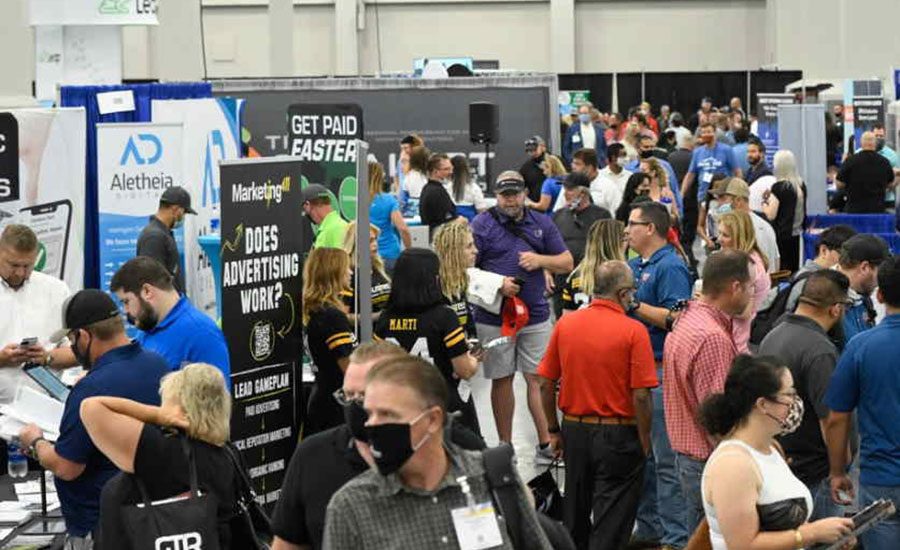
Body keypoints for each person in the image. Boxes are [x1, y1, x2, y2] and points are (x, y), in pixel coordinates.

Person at [323, 356, 553, 550]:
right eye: (370, 414)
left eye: (387, 414)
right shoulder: (351, 507)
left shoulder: (493, 479)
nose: (371, 425)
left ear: (433, 420)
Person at [17, 289, 170, 544]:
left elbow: (67, 468)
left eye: (71, 340)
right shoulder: (158, 365)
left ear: (84, 336)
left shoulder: (90, 389)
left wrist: (35, 442)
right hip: (154, 517)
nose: (72, 348)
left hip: (102, 527)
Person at [539, 260, 656, 549]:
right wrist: (645, 439)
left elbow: (545, 384)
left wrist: (553, 430)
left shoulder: (566, 325)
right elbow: (641, 395)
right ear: (623, 293)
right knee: (612, 518)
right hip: (619, 434)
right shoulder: (634, 331)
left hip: (574, 431)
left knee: (575, 513)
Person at [699, 355, 855, 550]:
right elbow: (742, 545)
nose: (795, 402)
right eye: (788, 394)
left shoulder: (771, 448)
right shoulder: (733, 465)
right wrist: (812, 533)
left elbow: (784, 525)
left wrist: (831, 532)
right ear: (763, 405)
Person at [80, 363, 239, 550]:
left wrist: (158, 415)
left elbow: (91, 407)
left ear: (179, 408)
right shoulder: (228, 454)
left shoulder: (162, 452)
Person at [471, 171, 573, 455]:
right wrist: (498, 284)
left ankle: (546, 441)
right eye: (505, 195)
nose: (511, 200)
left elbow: (566, 262)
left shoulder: (541, 222)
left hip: (536, 315)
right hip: (494, 317)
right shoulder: (481, 224)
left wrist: (540, 260)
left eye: (515, 194)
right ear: (496, 196)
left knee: (538, 378)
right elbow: (466, 271)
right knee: (502, 378)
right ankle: (506, 446)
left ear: (525, 193)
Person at [271, 342, 407, 550]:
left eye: (363, 396)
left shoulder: (430, 452)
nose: (354, 406)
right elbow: (286, 544)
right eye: (347, 395)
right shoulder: (313, 455)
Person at [663, 249, 751, 533]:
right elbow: (717, 418)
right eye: (750, 287)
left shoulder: (686, 319)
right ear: (735, 287)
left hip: (689, 457)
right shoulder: (712, 338)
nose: (752, 294)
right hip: (708, 460)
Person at [626, 202, 693, 549]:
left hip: (660, 372)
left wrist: (634, 306)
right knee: (643, 458)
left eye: (632, 224)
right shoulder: (635, 265)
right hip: (634, 373)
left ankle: (676, 537)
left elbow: (677, 319)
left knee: (666, 460)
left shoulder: (671, 267)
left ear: (650, 228)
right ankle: (649, 528)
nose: (626, 230)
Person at [759, 270, 852, 520]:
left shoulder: (772, 336)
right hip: (815, 474)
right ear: (836, 309)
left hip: (781, 463)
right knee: (825, 536)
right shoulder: (820, 350)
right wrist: (839, 470)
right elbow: (831, 420)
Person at [826, 254, 900, 550]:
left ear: (880, 296)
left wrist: (837, 472)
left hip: (880, 478)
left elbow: (837, 417)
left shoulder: (861, 346)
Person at [375, 248, 481, 435]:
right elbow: (464, 370)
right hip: (445, 407)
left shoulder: (384, 320)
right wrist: (474, 359)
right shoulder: (444, 317)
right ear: (432, 279)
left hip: (402, 408)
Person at [107, 256, 230, 381]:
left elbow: (217, 392)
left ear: (147, 291)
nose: (126, 310)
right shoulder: (147, 327)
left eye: (126, 301)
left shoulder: (202, 334)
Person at [0, 224, 70, 404]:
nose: (20, 273)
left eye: (27, 265)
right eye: (13, 265)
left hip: (47, 405)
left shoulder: (56, 290)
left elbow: (80, 352)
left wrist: (46, 357)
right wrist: (2, 359)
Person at [303, 247, 357, 435]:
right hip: (335, 408)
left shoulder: (319, 311)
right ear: (333, 272)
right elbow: (349, 369)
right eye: (346, 268)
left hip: (324, 398)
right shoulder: (332, 317)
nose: (350, 273)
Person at [717, 211, 771, 352]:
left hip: (741, 341)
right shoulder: (751, 258)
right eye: (719, 233)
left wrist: (711, 301)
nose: (719, 239)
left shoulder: (748, 267)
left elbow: (743, 311)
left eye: (725, 235)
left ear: (739, 238)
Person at [136, 185, 196, 294]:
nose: (183, 217)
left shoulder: (162, 233)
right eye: (184, 212)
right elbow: (153, 283)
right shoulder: (154, 237)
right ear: (176, 209)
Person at [713, 177, 781, 272]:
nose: (718, 203)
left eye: (722, 198)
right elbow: (776, 262)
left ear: (738, 201)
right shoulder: (766, 226)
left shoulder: (741, 228)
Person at [833, 234, 890, 344]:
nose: (880, 280)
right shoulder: (826, 300)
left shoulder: (863, 299)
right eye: (880, 271)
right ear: (864, 267)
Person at [561, 219, 626, 312]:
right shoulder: (621, 275)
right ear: (615, 244)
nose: (627, 244)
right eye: (624, 240)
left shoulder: (574, 275)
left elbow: (566, 315)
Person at [552, 173, 612, 267]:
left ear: (583, 193)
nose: (565, 194)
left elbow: (609, 248)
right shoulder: (558, 215)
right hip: (562, 270)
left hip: (591, 270)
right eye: (565, 189)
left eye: (570, 190)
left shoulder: (602, 216)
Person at [762, 150, 807, 272]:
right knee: (795, 267)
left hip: (782, 235)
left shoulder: (779, 187)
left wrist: (764, 203)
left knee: (782, 270)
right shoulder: (801, 185)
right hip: (798, 233)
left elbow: (771, 215)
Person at [432, 222, 478, 336]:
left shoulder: (460, 280)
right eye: (469, 246)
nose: (475, 251)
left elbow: (467, 321)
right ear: (453, 251)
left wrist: (472, 339)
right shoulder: (433, 285)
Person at [680, 122, 742, 206]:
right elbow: (690, 174)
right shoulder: (697, 152)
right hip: (703, 195)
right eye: (703, 132)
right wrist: (682, 194)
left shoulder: (726, 150)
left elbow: (737, 171)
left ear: (715, 133)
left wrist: (737, 191)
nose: (706, 135)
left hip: (723, 195)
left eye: (709, 132)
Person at [342, 221, 392, 322]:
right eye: (370, 241)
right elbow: (342, 317)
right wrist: (376, 317)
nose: (375, 244)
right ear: (355, 243)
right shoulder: (348, 274)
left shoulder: (379, 268)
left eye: (375, 239)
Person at [369, 160, 411, 274]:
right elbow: (403, 229)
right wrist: (409, 251)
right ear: (380, 177)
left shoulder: (356, 200)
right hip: (389, 255)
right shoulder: (388, 200)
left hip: (366, 255)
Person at [836, 131, 894, 213]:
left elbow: (839, 184)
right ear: (875, 144)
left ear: (861, 143)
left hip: (854, 211)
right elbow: (890, 184)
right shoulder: (885, 162)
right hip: (877, 211)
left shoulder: (850, 161)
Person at [419, 153, 461, 238]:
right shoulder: (436, 192)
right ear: (435, 171)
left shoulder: (428, 189)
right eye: (446, 169)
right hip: (440, 240)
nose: (451, 172)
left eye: (451, 169)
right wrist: (462, 220)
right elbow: (449, 222)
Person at [301, 183, 349, 249]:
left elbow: (341, 255)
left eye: (304, 208)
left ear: (307, 205)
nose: (305, 213)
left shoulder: (337, 228)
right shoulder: (331, 226)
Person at [590, 143, 633, 215]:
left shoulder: (630, 176)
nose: (626, 158)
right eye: (623, 155)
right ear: (613, 158)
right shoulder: (600, 175)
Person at [564, 103, 607, 168]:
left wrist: (602, 158)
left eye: (585, 113)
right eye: (581, 113)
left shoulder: (599, 129)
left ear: (591, 113)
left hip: (597, 164)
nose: (583, 115)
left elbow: (604, 146)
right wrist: (571, 160)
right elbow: (566, 148)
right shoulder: (572, 129)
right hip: (579, 164)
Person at [519, 135, 549, 202]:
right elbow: (521, 185)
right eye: (529, 150)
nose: (532, 152)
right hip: (535, 202)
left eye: (534, 149)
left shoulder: (554, 161)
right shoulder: (526, 167)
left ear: (543, 147)